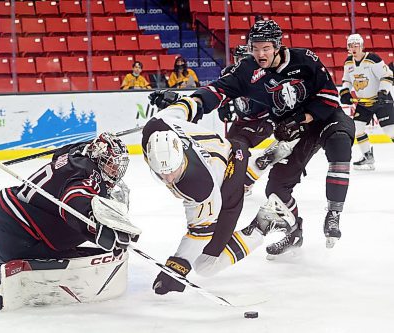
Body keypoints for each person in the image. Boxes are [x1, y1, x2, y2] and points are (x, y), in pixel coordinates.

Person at [153, 20, 355, 254]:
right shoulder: (247, 70)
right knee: (276, 189)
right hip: (295, 133)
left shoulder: (305, 59)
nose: (260, 53)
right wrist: (187, 102)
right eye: (255, 48)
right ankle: (294, 232)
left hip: (325, 118)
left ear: (277, 46)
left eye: (266, 48)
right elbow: (217, 90)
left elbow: (329, 96)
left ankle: (334, 212)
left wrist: (302, 119)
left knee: (340, 140)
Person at [142, 95, 289, 295]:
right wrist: (195, 103)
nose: (168, 178)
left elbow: (200, 233)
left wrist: (177, 267)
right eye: (161, 172)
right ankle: (261, 162)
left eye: (173, 172)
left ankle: (264, 224)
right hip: (230, 149)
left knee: (205, 265)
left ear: (181, 157)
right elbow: (185, 107)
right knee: (227, 172)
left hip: (227, 179)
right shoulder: (156, 126)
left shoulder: (199, 186)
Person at [0, 132, 135, 275]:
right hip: (22, 240)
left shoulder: (73, 154)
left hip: (6, 220)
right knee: (74, 220)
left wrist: (90, 144)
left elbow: (59, 152)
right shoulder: (91, 175)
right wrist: (95, 228)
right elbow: (73, 199)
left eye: (117, 166)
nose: (115, 172)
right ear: (98, 158)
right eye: (111, 164)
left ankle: (6, 258)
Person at [218, 44, 296, 196]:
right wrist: (223, 108)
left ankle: (246, 182)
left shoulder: (264, 75)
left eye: (244, 59)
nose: (241, 62)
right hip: (240, 119)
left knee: (240, 146)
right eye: (238, 59)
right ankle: (238, 180)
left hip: (261, 119)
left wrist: (274, 119)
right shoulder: (228, 73)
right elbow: (223, 92)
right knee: (227, 150)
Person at [339, 34, 394, 170]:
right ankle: (367, 156)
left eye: (356, 45)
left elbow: (387, 76)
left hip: (381, 101)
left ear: (362, 46)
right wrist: (345, 91)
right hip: (364, 103)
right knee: (357, 128)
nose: (353, 48)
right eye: (351, 45)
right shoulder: (348, 62)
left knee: (390, 131)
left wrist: (383, 92)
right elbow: (347, 80)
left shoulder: (372, 59)